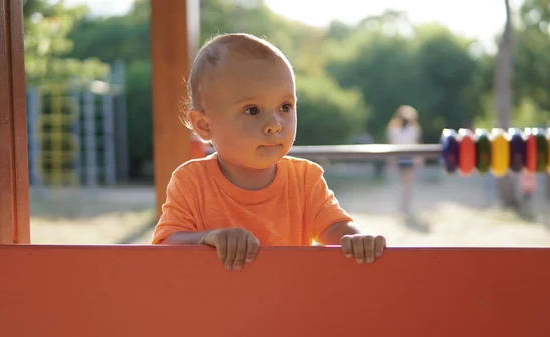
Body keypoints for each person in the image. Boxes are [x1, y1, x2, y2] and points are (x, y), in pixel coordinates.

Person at [152, 33, 386, 270]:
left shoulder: (305, 179)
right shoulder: (191, 182)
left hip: (289, 302)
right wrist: (207, 238)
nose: (275, 124)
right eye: (252, 110)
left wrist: (357, 239)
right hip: (218, 305)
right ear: (204, 124)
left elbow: (337, 229)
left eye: (285, 107)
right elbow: (165, 245)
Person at [386, 105, 422, 217]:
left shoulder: (409, 129)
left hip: (406, 157)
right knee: (405, 183)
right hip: (403, 157)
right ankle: (403, 205)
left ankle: (404, 205)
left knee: (406, 182)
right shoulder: (398, 129)